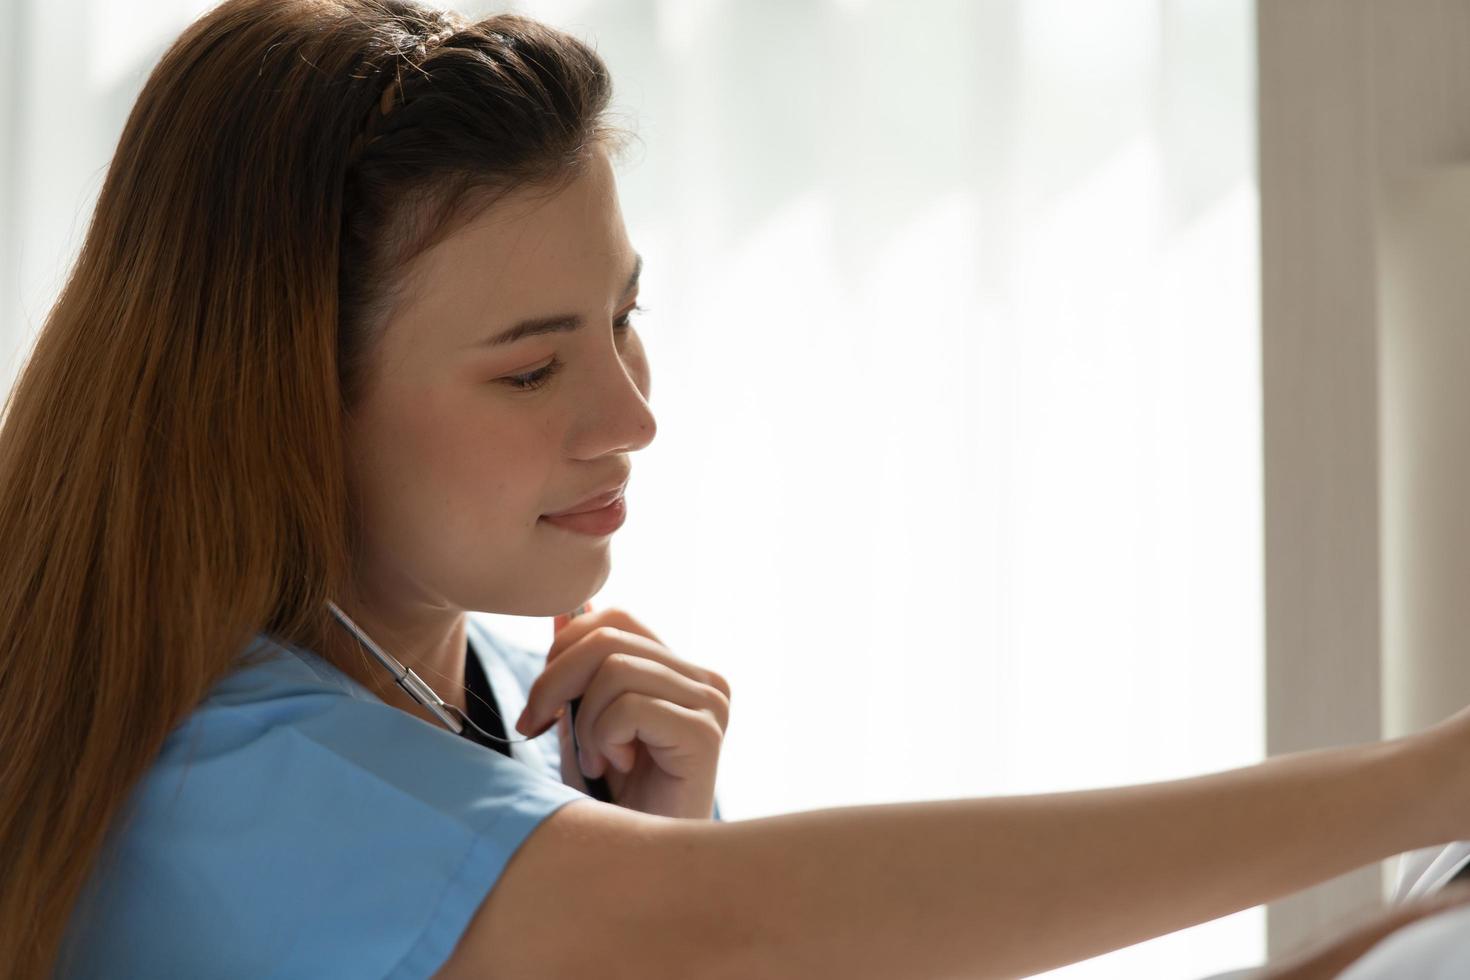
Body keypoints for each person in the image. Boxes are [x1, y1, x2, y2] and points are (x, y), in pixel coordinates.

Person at [2, 1, 1470, 977]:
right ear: (280, 403)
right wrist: (1431, 782)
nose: (631, 414)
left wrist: (658, 851)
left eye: (624, 319)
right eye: (530, 371)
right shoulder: (207, 771)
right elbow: (736, 935)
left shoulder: (511, 707)